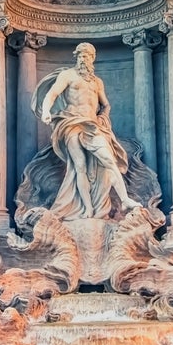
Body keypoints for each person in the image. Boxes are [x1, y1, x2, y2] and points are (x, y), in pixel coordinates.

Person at [35, 42, 135, 220]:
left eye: (87, 56)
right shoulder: (67, 75)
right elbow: (52, 94)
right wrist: (46, 111)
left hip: (92, 125)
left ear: (92, 59)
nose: (83, 59)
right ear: (76, 57)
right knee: (79, 166)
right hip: (72, 123)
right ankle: (87, 208)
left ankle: (125, 199)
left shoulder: (97, 82)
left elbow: (106, 104)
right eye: (80, 56)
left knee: (109, 160)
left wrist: (103, 117)